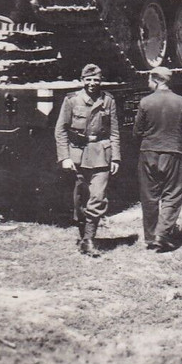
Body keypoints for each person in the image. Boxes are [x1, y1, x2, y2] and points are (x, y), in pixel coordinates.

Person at [54, 64, 121, 255]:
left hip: (101, 154)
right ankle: (84, 237)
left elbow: (114, 131)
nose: (92, 83)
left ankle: (90, 240)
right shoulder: (72, 100)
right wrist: (64, 157)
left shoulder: (108, 100)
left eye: (96, 80)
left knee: (97, 197)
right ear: (82, 80)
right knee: (80, 199)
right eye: (88, 80)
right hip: (78, 154)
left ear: (101, 81)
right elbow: (61, 130)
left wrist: (115, 158)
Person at [133, 66, 182, 253]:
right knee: (172, 195)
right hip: (173, 152)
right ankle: (163, 234)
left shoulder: (145, 102)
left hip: (148, 152)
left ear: (156, 80)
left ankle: (151, 238)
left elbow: (137, 131)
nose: (148, 82)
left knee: (149, 196)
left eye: (149, 79)